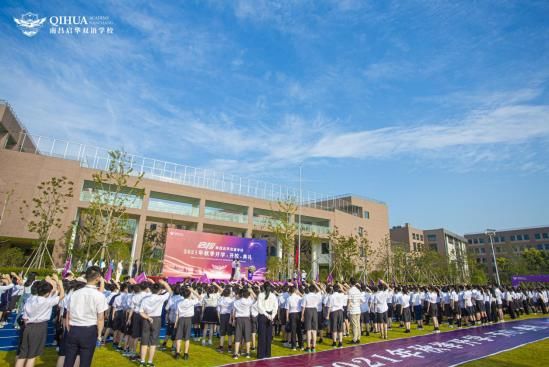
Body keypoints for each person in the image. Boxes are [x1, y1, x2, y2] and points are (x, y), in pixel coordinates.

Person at [63, 266, 108, 367]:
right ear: (98, 278)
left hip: (74, 329)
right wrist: (99, 335)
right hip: (88, 330)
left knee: (68, 361)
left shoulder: (75, 293)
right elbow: (100, 319)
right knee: (85, 362)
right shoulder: (99, 296)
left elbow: (68, 315)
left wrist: (69, 329)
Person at [16, 274, 64, 367]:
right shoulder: (47, 302)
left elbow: (25, 318)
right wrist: (60, 284)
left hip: (27, 326)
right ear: (47, 293)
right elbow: (61, 296)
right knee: (31, 356)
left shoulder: (30, 299)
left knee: (23, 354)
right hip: (39, 327)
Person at [138, 280, 172, 367]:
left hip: (146, 318)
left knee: (144, 341)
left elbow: (141, 312)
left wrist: (148, 317)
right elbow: (170, 292)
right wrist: (165, 283)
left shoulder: (145, 299)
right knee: (153, 342)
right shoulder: (161, 298)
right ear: (159, 291)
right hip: (156, 319)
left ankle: (142, 362)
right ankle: (149, 362)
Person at [175, 286, 201, 360]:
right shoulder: (191, 302)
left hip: (181, 319)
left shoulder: (179, 303)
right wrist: (192, 291)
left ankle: (177, 354)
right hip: (188, 320)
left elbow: (177, 314)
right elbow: (199, 298)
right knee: (187, 338)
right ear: (189, 295)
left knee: (179, 337)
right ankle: (186, 354)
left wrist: (176, 323)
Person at [231, 287, 255, 359]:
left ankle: (236, 353)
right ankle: (247, 353)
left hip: (239, 319)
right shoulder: (249, 301)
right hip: (246, 319)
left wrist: (233, 320)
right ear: (247, 295)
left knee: (238, 336)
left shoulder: (236, 302)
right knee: (247, 336)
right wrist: (251, 291)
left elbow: (233, 312)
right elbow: (256, 298)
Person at [256, 282, 278, 359]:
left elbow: (259, 307)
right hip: (268, 315)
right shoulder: (273, 296)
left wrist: (270, 315)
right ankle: (267, 353)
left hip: (264, 315)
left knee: (262, 335)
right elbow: (275, 307)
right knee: (268, 335)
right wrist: (272, 316)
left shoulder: (261, 295)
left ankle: (261, 354)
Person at [301, 283, 321, 352]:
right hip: (314, 311)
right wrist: (315, 284)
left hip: (308, 310)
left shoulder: (306, 296)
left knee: (308, 330)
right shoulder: (317, 296)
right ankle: (314, 347)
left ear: (309, 290)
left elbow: (303, 307)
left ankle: (308, 347)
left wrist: (302, 315)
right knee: (314, 330)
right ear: (314, 290)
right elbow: (320, 290)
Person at [216, 287, 235, 354]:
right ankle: (229, 348)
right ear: (229, 293)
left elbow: (218, 310)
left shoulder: (221, 299)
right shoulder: (231, 300)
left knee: (222, 333)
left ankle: (221, 348)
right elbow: (232, 311)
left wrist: (219, 318)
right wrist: (231, 319)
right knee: (229, 333)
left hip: (223, 316)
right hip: (229, 316)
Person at [286, 286, 303, 350]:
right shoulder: (299, 297)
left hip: (292, 314)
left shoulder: (289, 298)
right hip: (298, 313)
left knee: (293, 330)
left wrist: (287, 318)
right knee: (299, 330)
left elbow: (287, 309)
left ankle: (294, 346)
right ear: (295, 291)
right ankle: (301, 346)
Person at [346, 279, 362, 344]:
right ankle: (358, 338)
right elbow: (360, 300)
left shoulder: (350, 291)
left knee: (354, 325)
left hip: (353, 309)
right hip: (358, 309)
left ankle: (354, 339)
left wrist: (347, 310)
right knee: (358, 324)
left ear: (350, 283)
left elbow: (349, 301)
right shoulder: (358, 290)